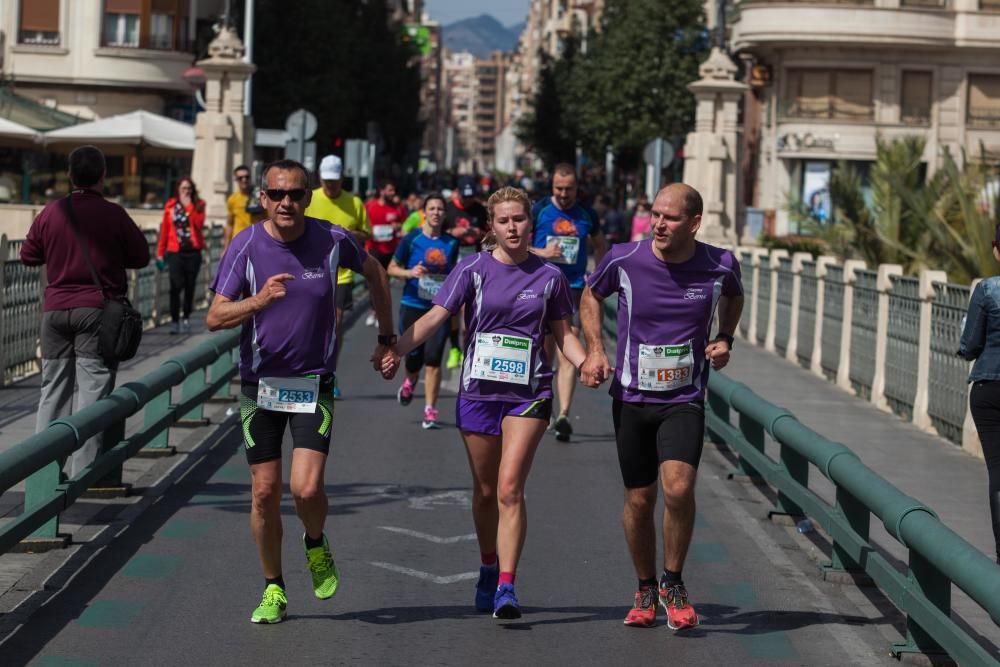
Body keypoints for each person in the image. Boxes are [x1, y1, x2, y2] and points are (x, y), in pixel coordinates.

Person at [206, 159, 397, 624]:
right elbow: (215, 316)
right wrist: (259, 300)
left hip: (313, 382)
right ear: (264, 199)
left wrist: (387, 339)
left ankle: (315, 542)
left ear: (308, 197)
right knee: (265, 492)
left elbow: (376, 274)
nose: (286, 202)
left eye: (295, 194)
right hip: (260, 385)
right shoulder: (246, 245)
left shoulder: (332, 239)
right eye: (277, 194)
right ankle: (273, 588)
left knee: (306, 488)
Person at [387, 186, 586, 620]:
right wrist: (397, 349)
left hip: (529, 394)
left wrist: (587, 363)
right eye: (504, 221)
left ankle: (507, 587)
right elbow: (436, 316)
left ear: (530, 223)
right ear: (491, 228)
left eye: (519, 219)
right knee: (484, 490)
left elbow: (564, 334)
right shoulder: (472, 269)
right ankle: (488, 564)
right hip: (479, 393)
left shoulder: (549, 277)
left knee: (510, 488)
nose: (513, 227)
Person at [579, 183, 743, 630]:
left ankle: (673, 582)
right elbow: (591, 295)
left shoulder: (719, 264)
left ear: (694, 223)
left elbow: (734, 294)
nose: (658, 224)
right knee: (639, 498)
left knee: (677, 489)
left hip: (684, 398)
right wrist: (595, 348)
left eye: (669, 217)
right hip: (632, 397)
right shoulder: (624, 258)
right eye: (655, 214)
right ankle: (645, 586)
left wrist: (724, 337)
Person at [20, 145, 150, 478]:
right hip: (96, 311)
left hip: (54, 312)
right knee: (92, 393)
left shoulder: (52, 212)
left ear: (69, 174)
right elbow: (140, 257)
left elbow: (28, 255)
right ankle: (84, 473)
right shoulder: (113, 214)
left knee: (53, 391)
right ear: (103, 176)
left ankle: (44, 474)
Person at [530, 162, 607, 442]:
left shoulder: (587, 214)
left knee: (567, 353)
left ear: (577, 187)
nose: (563, 194)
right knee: (545, 354)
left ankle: (563, 414)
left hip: (573, 288)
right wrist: (543, 252)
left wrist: (596, 276)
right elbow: (515, 245)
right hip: (541, 287)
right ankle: (544, 407)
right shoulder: (538, 210)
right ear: (552, 187)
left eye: (569, 188)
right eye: (558, 188)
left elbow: (600, 244)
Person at [386, 193, 459, 429]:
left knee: (434, 359)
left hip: (439, 308)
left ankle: (430, 409)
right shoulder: (412, 239)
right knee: (414, 357)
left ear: (444, 214)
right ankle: (409, 380)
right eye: (432, 208)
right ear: (424, 213)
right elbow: (391, 268)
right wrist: (410, 273)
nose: (436, 212)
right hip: (413, 304)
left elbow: (454, 274)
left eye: (440, 209)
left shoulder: (451, 242)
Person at [304, 154, 372, 399]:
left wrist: (347, 234)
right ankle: (309, 369)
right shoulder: (309, 197)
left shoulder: (354, 202)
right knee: (310, 324)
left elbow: (366, 234)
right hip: (310, 272)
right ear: (320, 177)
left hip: (341, 274)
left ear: (342, 177)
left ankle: (329, 374)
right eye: (326, 180)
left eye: (334, 180)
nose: (330, 185)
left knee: (336, 325)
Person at [959, 224, 1000, 564]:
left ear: (995, 248)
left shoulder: (987, 291)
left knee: (998, 472)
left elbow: (969, 345)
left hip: (989, 388)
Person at [442, 176, 490, 370]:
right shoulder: (448, 209)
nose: (468, 200)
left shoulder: (479, 209)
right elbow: (437, 231)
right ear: (457, 192)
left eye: (471, 197)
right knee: (452, 308)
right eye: (465, 196)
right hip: (451, 262)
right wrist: (453, 232)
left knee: (468, 309)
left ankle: (468, 349)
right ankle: (455, 349)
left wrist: (479, 234)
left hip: (474, 263)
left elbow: (491, 232)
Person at [156, 177, 206, 335]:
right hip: (175, 252)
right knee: (175, 286)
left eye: (189, 188)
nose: (186, 191)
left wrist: (188, 207)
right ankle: (175, 321)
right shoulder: (170, 206)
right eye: (183, 188)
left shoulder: (199, 205)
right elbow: (165, 230)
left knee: (190, 286)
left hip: (193, 252)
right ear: (178, 189)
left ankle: (186, 318)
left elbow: (199, 225)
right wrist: (159, 252)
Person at [364, 179, 407, 326]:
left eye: (394, 190)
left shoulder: (398, 208)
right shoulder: (370, 206)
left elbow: (405, 226)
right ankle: (373, 310)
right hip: (374, 249)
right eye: (390, 190)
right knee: (373, 282)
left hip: (391, 250)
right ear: (382, 191)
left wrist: (399, 226)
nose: (393, 193)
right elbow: (363, 224)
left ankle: (382, 314)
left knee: (385, 283)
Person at [224, 164, 265, 251]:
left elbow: (270, 220)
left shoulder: (261, 196)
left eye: (247, 177)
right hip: (239, 244)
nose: (244, 180)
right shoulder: (232, 199)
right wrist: (226, 248)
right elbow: (229, 224)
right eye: (240, 178)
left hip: (257, 243)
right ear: (236, 179)